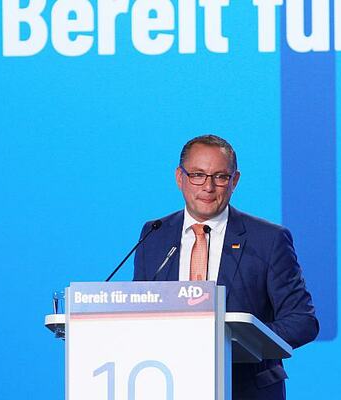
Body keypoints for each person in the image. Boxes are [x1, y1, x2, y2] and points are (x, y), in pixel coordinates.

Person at [133, 134, 319, 400]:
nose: (208, 187)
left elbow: (303, 321)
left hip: (246, 388)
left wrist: (240, 340)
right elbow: (138, 311)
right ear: (179, 177)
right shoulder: (155, 234)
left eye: (220, 176)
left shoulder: (267, 239)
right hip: (168, 384)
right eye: (197, 174)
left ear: (235, 181)